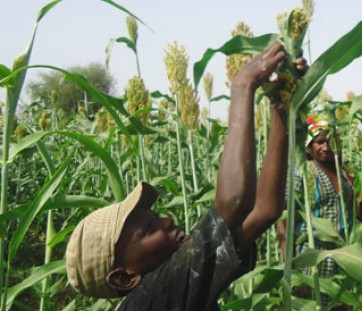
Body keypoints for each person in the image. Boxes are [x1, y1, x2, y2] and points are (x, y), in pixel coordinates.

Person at [65, 42, 305, 310]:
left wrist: (280, 106)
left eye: (155, 217)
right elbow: (236, 202)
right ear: (125, 277)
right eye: (148, 230)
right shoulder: (151, 298)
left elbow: (265, 209)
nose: (167, 220)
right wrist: (242, 86)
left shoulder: (182, 287)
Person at [277, 117, 362, 309]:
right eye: (319, 142)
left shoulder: (344, 174)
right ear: (309, 146)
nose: (325, 147)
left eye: (329, 141)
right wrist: (294, 272)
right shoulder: (303, 172)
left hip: (343, 258)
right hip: (313, 260)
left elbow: (354, 217)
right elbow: (284, 221)